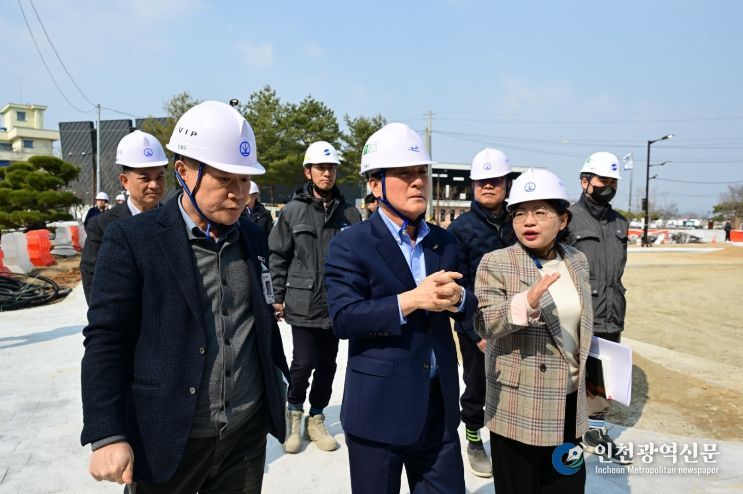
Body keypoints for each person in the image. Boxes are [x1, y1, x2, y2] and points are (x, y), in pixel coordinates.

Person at [80, 101, 289, 493]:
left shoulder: (253, 236)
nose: (239, 193)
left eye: (245, 179)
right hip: (168, 436)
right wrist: (107, 432)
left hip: (245, 436)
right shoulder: (132, 240)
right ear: (184, 172)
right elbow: (107, 338)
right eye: (225, 179)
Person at [325, 123, 477, 493]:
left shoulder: (444, 242)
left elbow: (469, 301)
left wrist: (459, 299)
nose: (417, 183)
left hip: (438, 410)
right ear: (374, 185)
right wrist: (412, 300)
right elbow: (344, 318)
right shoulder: (351, 244)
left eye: (421, 173)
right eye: (404, 174)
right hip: (379, 412)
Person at [475, 168, 593, 494]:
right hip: (519, 405)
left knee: (567, 486)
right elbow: (484, 322)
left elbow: (580, 325)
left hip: (569, 403)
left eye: (540, 212)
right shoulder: (496, 262)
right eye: (520, 213)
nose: (528, 222)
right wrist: (524, 304)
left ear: (563, 219)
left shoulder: (577, 261)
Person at [268, 140, 362, 454]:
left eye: (332, 168)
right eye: (321, 168)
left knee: (328, 364)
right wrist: (277, 295)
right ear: (308, 172)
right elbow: (278, 256)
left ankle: (316, 418)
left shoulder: (350, 214)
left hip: (336, 303)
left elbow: (360, 260)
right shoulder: (292, 212)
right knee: (303, 362)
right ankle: (294, 414)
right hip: (303, 301)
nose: (327, 173)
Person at [446, 147, 517, 478]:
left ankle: (510, 440)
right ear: (473, 185)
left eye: (495, 180)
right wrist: (475, 332)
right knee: (477, 386)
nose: (488, 186)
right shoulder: (459, 230)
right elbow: (455, 287)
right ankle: (474, 439)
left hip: (516, 322)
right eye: (482, 181)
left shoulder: (518, 223)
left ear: (507, 184)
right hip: (476, 326)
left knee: (514, 385)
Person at [565, 152, 632, 464]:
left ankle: (595, 433)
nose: (609, 186)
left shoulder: (620, 223)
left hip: (612, 310)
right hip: (578, 312)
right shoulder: (567, 218)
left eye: (613, 182)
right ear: (585, 182)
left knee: (603, 378)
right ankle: (565, 431)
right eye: (603, 180)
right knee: (570, 374)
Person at [79, 130, 168, 304]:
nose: (154, 185)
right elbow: (92, 276)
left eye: (160, 177)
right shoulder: (102, 225)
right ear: (124, 181)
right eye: (145, 178)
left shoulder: (175, 219)